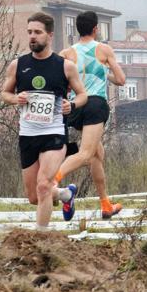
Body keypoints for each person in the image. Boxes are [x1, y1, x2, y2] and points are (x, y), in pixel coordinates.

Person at [0, 12, 87, 229]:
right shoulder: (17, 65)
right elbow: (4, 93)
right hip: (28, 135)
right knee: (34, 196)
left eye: (37, 32)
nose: (32, 37)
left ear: (49, 35)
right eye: (29, 32)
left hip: (54, 133)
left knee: (43, 186)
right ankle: (66, 194)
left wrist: (72, 105)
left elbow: (83, 95)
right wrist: (15, 98)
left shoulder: (65, 66)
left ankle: (41, 239)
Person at [55, 11, 126, 220]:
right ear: (96, 29)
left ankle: (105, 204)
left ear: (76, 29)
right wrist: (105, 73)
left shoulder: (66, 53)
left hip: (76, 106)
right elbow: (121, 80)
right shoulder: (103, 49)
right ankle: (53, 180)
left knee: (97, 155)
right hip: (95, 104)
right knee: (86, 153)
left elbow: (61, 83)